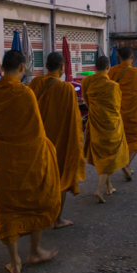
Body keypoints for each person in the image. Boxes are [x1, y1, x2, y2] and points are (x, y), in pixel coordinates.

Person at [0, 50, 60, 273]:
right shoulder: (25, 94)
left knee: (6, 208)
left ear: (2, 68)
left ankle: (14, 262)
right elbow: (37, 131)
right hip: (30, 161)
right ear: (22, 68)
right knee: (38, 201)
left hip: (3, 162)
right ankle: (34, 251)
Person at [28, 53, 85, 229]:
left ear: (46, 65)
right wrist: (76, 143)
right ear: (62, 68)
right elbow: (75, 120)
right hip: (58, 143)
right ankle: (57, 219)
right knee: (60, 179)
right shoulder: (66, 89)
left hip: (36, 140)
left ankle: (36, 215)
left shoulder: (35, 83)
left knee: (39, 180)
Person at [82, 56, 130, 203]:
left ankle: (109, 187)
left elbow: (86, 101)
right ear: (108, 67)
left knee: (103, 155)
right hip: (111, 125)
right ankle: (100, 189)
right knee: (110, 156)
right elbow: (117, 106)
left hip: (96, 123)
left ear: (95, 67)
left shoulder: (87, 82)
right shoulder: (113, 86)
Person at [108, 46, 137, 180]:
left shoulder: (112, 71)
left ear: (119, 57)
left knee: (120, 140)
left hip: (116, 113)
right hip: (134, 115)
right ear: (132, 58)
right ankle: (126, 163)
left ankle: (125, 165)